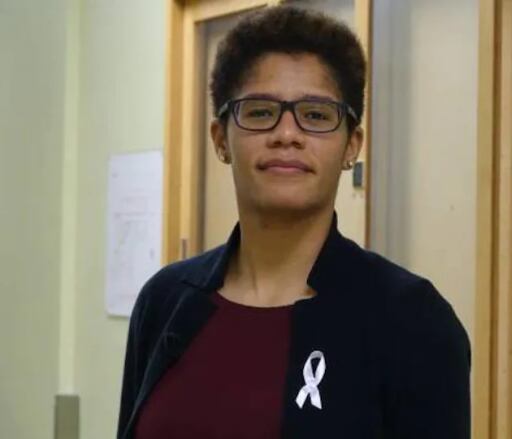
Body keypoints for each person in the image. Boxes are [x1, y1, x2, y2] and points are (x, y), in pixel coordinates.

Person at [117, 6, 470, 439]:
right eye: (261, 112)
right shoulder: (165, 302)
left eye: (317, 115)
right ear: (220, 139)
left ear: (351, 146)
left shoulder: (412, 320)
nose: (287, 133)